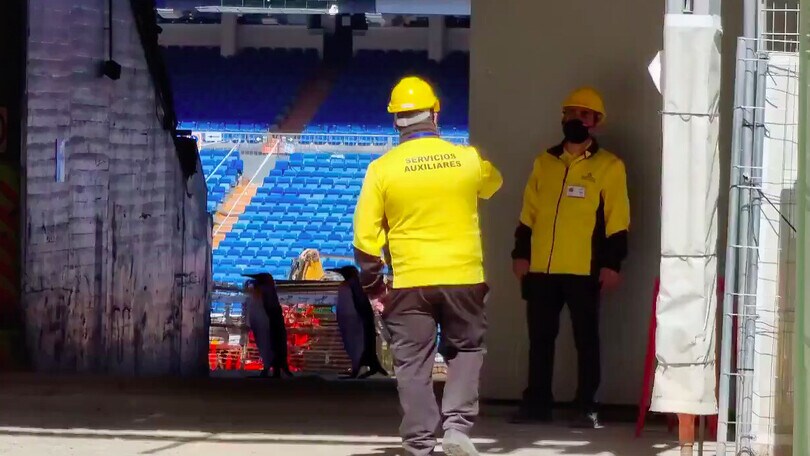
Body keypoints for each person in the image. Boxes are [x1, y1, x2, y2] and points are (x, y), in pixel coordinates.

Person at [353, 76, 503, 456]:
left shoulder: (381, 169)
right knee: (467, 350)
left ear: (396, 122)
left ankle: (419, 442)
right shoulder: (466, 159)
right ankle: (456, 428)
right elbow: (493, 183)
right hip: (463, 278)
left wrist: (374, 288)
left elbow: (365, 239)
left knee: (413, 364)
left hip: (410, 281)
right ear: (436, 114)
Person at [509, 87, 630, 429]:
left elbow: (617, 220)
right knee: (540, 340)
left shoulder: (610, 166)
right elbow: (528, 213)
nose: (575, 119)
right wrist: (521, 254)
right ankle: (537, 404)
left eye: (584, 114)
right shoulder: (543, 162)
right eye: (570, 113)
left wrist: (612, 263)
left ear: (596, 123)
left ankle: (586, 406)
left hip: (584, 269)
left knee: (586, 341)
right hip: (542, 270)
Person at [330, 265, 389, 379]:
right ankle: (365, 366)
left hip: (356, 324)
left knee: (356, 343)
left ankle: (359, 368)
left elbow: (363, 310)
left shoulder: (352, 286)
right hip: (353, 323)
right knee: (354, 343)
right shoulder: (352, 286)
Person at [242, 272, 293, 378]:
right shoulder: (268, 291)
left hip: (268, 323)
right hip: (270, 322)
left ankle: (271, 369)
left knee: (269, 345)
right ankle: (274, 369)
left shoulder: (264, 291)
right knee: (272, 345)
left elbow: (268, 309)